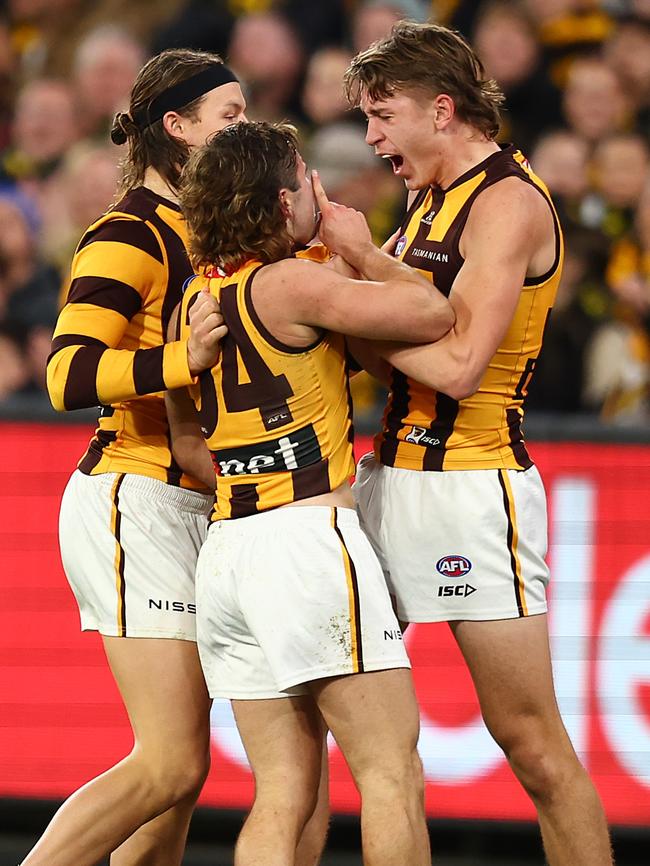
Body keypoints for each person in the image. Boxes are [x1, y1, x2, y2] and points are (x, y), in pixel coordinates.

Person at [23, 49, 328, 866]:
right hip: (135, 499)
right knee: (170, 761)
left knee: (180, 778)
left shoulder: (207, 229)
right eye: (229, 114)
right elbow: (66, 372)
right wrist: (177, 361)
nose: (245, 125)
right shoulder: (127, 232)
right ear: (177, 127)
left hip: (193, 501)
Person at [344, 22, 613, 866]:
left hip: (470, 491)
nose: (372, 137)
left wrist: (350, 277)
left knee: (530, 745)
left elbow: (460, 366)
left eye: (384, 115)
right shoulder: (427, 196)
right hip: (388, 477)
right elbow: (373, 341)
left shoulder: (508, 203)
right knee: (332, 733)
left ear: (443, 108)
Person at [168, 120, 455, 866]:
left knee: (283, 793)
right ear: (285, 196)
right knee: (392, 773)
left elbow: (186, 443)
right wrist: (358, 249)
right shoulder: (293, 283)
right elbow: (434, 315)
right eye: (306, 179)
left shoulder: (191, 304)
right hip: (307, 545)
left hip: (230, 550)